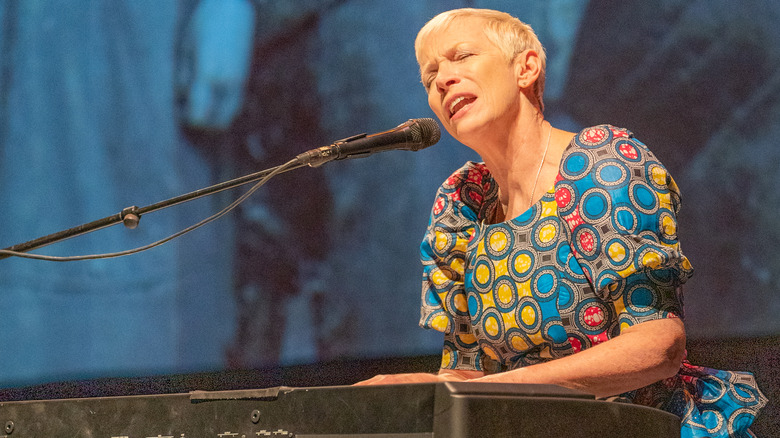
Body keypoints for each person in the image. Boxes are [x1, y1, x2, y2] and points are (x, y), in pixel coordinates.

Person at [355, 8, 767, 438]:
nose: (442, 80)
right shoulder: (462, 204)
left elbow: (656, 346)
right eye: (429, 76)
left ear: (526, 67)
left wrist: (486, 391)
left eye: (462, 57)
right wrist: (418, 388)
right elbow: (470, 370)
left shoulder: (598, 165)